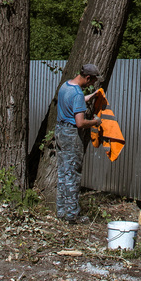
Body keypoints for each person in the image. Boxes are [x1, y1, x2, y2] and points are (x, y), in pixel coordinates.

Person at [56, 63, 102, 223]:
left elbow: (74, 101)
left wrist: (89, 97)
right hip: (70, 135)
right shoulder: (77, 94)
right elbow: (80, 123)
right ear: (87, 77)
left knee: (62, 172)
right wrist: (95, 122)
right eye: (92, 81)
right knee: (72, 174)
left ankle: (61, 211)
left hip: (60, 132)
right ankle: (72, 216)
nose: (92, 84)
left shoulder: (66, 86)